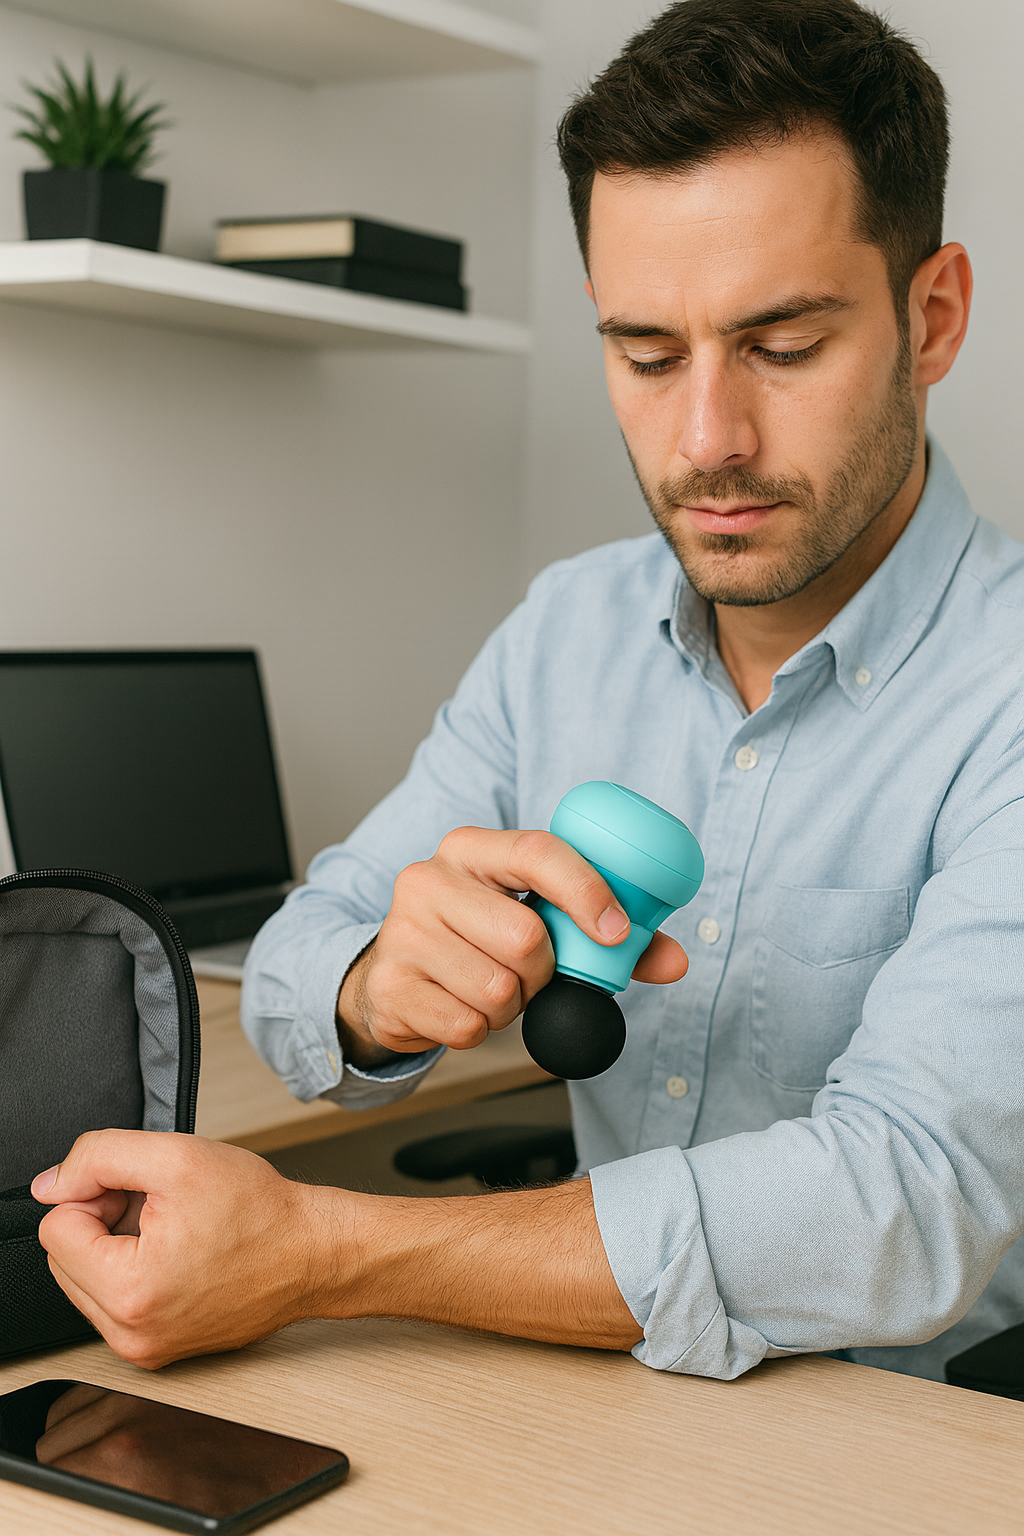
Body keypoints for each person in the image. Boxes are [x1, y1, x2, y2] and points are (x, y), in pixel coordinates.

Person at [33, 0, 1024, 1382]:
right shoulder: (569, 628)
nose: (707, 441)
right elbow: (297, 962)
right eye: (646, 353)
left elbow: (906, 1203)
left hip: (913, 1440)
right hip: (599, 1406)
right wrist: (380, 990)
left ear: (933, 317)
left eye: (785, 347)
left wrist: (334, 1251)